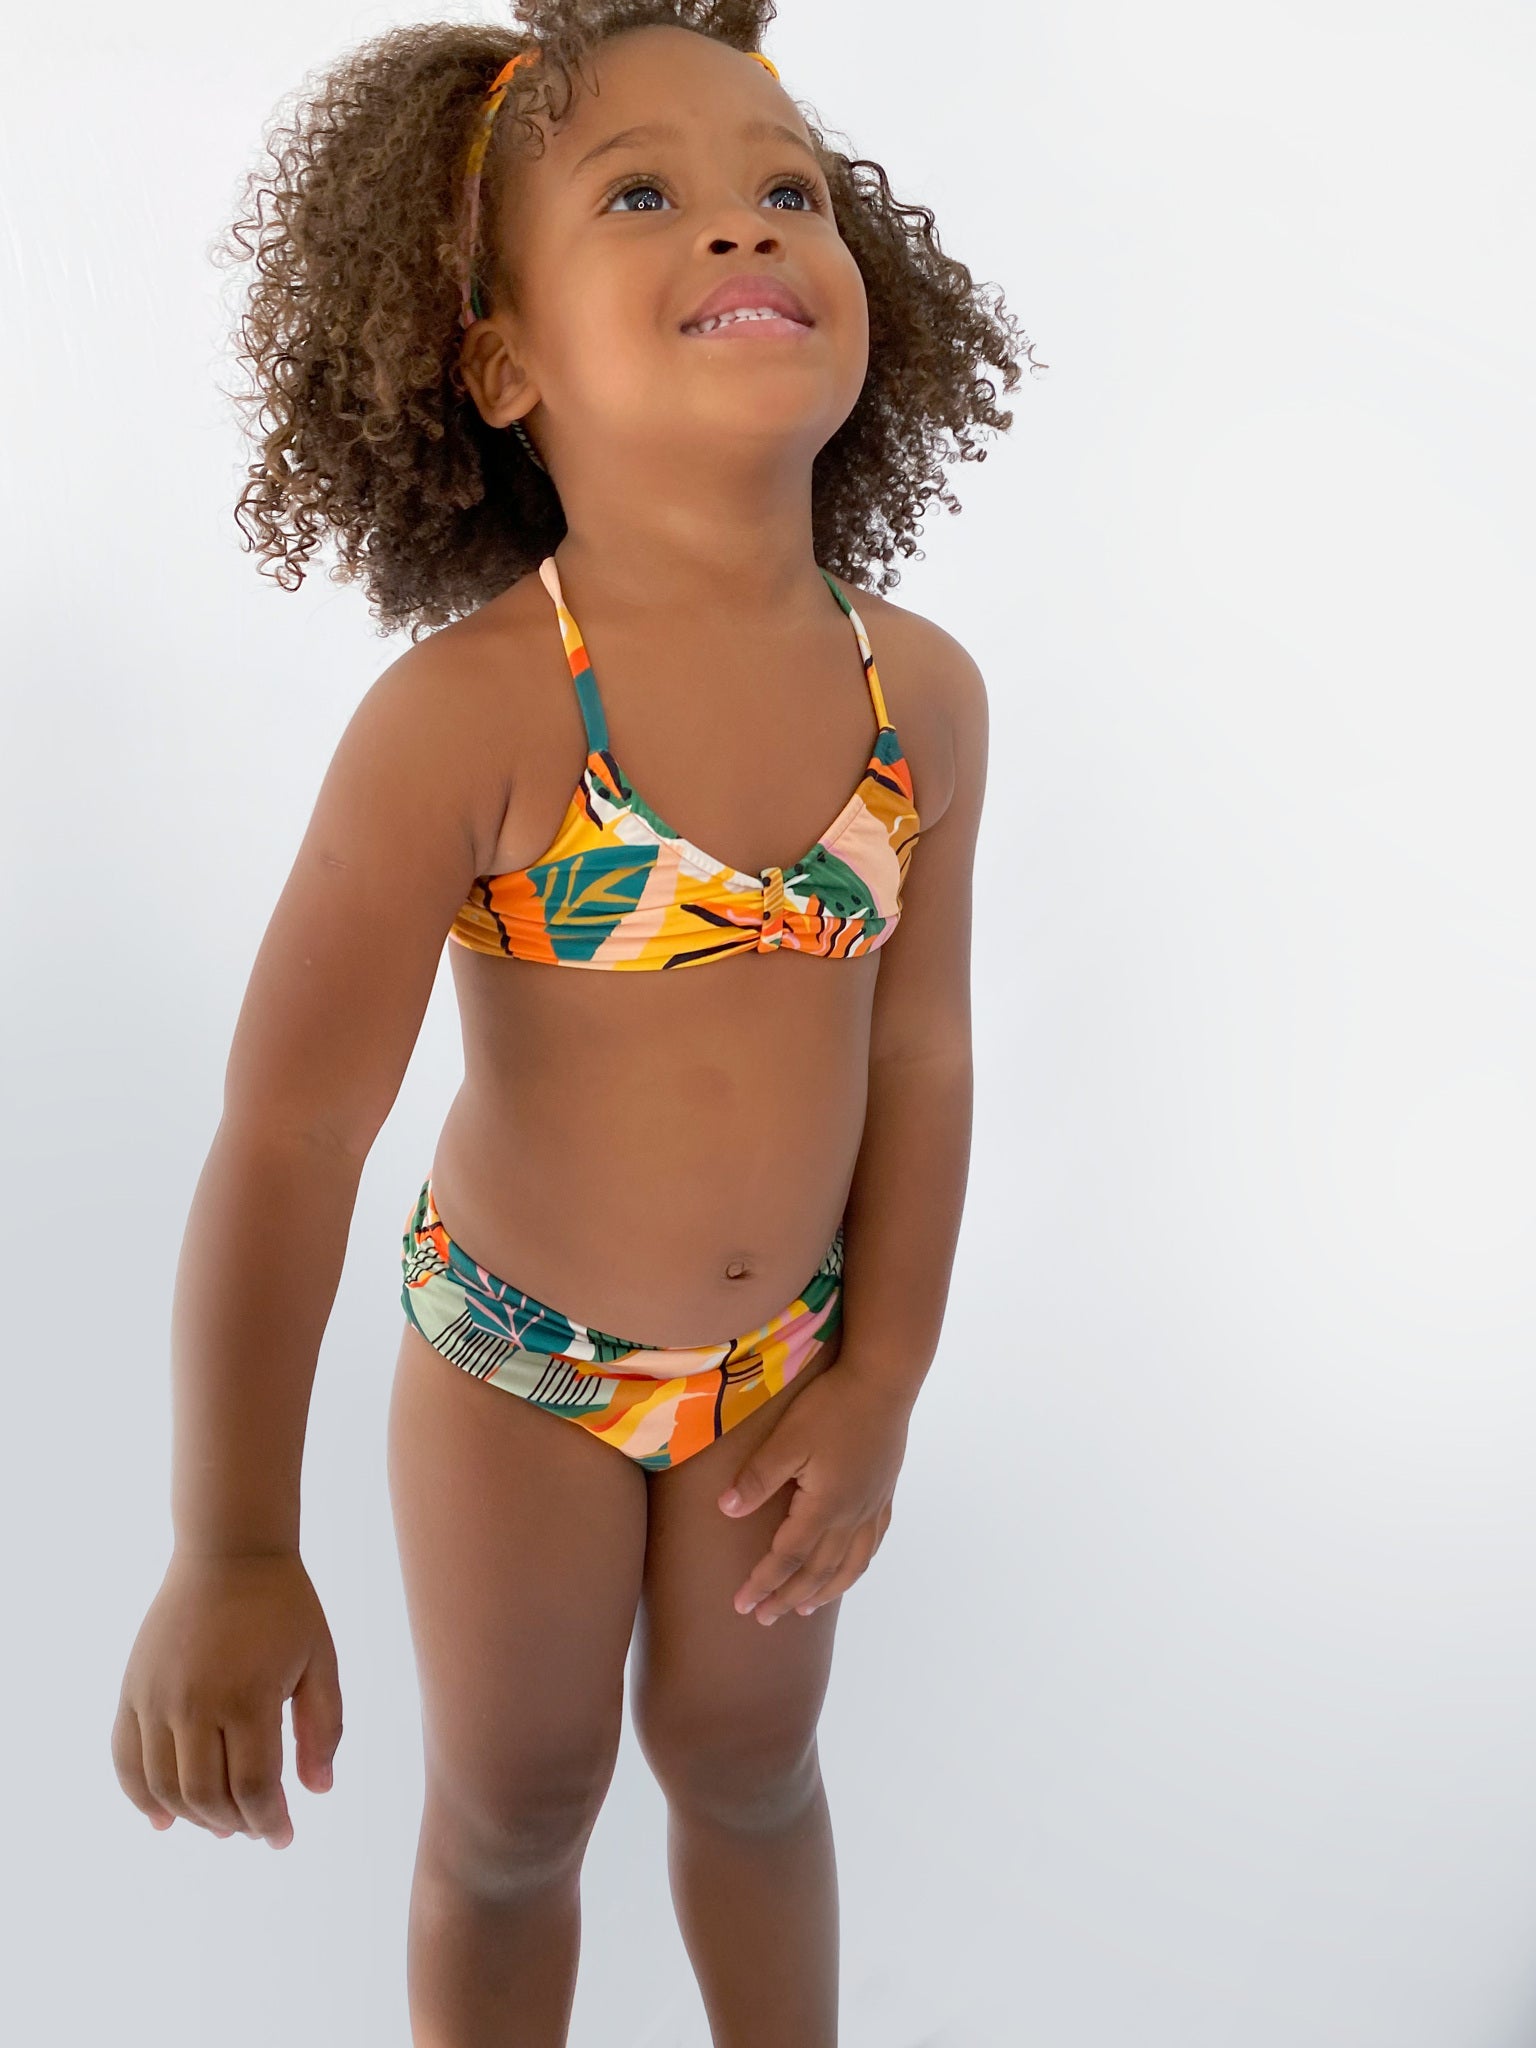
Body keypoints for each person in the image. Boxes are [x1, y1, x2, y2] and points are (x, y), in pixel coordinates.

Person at [112, 4, 1035, 2040]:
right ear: (503, 365)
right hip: (519, 1373)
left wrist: (883, 1373)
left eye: (786, 189)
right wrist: (233, 1545)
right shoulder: (470, 717)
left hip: (782, 1372)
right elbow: (289, 1132)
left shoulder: (924, 698)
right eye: (642, 197)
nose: (743, 227)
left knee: (753, 1771)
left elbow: (924, 1056)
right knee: (519, 1810)